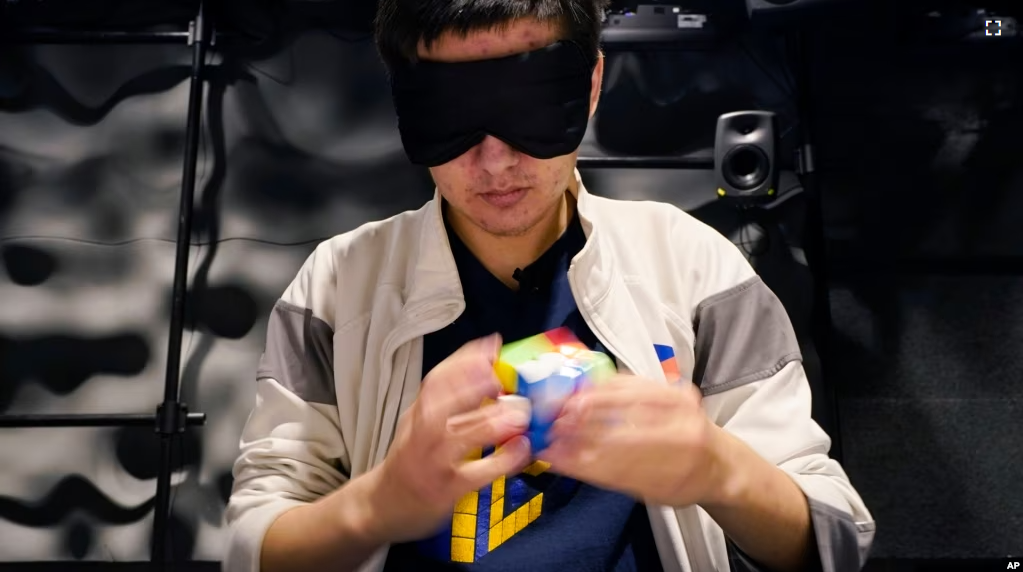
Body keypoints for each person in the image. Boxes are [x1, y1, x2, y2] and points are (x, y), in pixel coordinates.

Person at [224, 1, 876, 571]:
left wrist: (718, 470)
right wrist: (377, 505)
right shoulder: (338, 287)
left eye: (530, 107)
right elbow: (255, 543)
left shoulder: (696, 270)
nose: (495, 161)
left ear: (589, 84)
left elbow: (834, 539)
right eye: (451, 117)